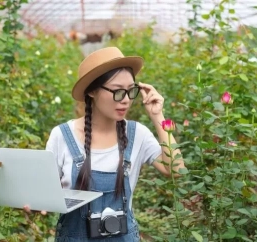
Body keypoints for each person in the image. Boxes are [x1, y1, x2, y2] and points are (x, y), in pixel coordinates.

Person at [28, 47, 185, 241]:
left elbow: (177, 170)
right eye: (118, 91)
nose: (126, 100)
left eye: (130, 91)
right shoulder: (62, 136)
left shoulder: (138, 135)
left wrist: (157, 115)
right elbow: (44, 192)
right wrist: (36, 203)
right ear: (92, 91)